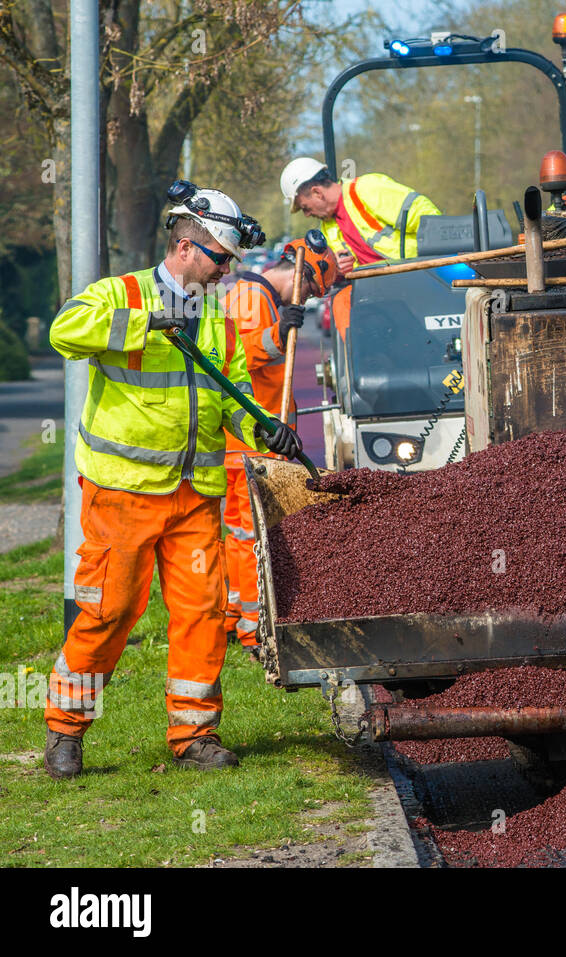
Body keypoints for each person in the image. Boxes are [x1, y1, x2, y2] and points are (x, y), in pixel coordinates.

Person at [44, 182, 303, 779]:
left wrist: (262, 427)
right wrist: (144, 324)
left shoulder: (213, 314)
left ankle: (193, 734)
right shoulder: (122, 293)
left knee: (203, 615)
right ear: (187, 247)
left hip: (194, 499)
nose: (224, 273)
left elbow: (229, 390)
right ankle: (65, 728)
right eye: (220, 259)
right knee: (107, 614)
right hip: (123, 494)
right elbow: (65, 332)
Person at [221, 236, 338, 653]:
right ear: (299, 272)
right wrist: (280, 330)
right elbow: (237, 357)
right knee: (250, 532)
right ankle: (254, 628)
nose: (307, 297)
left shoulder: (259, 294)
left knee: (240, 532)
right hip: (250, 440)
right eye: (308, 288)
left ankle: (235, 616)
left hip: (254, 439)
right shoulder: (253, 297)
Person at [279, 158, 440, 277]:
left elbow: (430, 220)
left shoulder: (367, 189)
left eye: (305, 208)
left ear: (317, 193)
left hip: (423, 276)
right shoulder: (326, 230)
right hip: (378, 295)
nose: (307, 215)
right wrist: (337, 270)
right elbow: (331, 276)